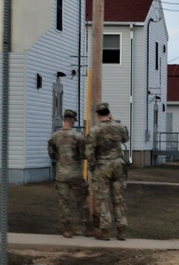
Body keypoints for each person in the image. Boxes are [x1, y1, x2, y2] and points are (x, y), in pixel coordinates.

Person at [86, 102, 130, 241]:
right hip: (118, 164)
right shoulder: (119, 127)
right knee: (118, 199)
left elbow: (89, 152)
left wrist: (92, 167)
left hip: (102, 165)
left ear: (98, 115)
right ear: (109, 113)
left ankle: (105, 230)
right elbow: (126, 139)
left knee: (103, 199)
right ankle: (121, 230)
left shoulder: (95, 130)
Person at [47, 109, 91, 238]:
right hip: (76, 174)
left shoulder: (54, 136)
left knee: (63, 202)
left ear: (64, 120)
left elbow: (51, 154)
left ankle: (67, 229)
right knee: (82, 201)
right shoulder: (78, 137)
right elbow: (84, 154)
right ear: (72, 121)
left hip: (61, 174)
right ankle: (88, 228)